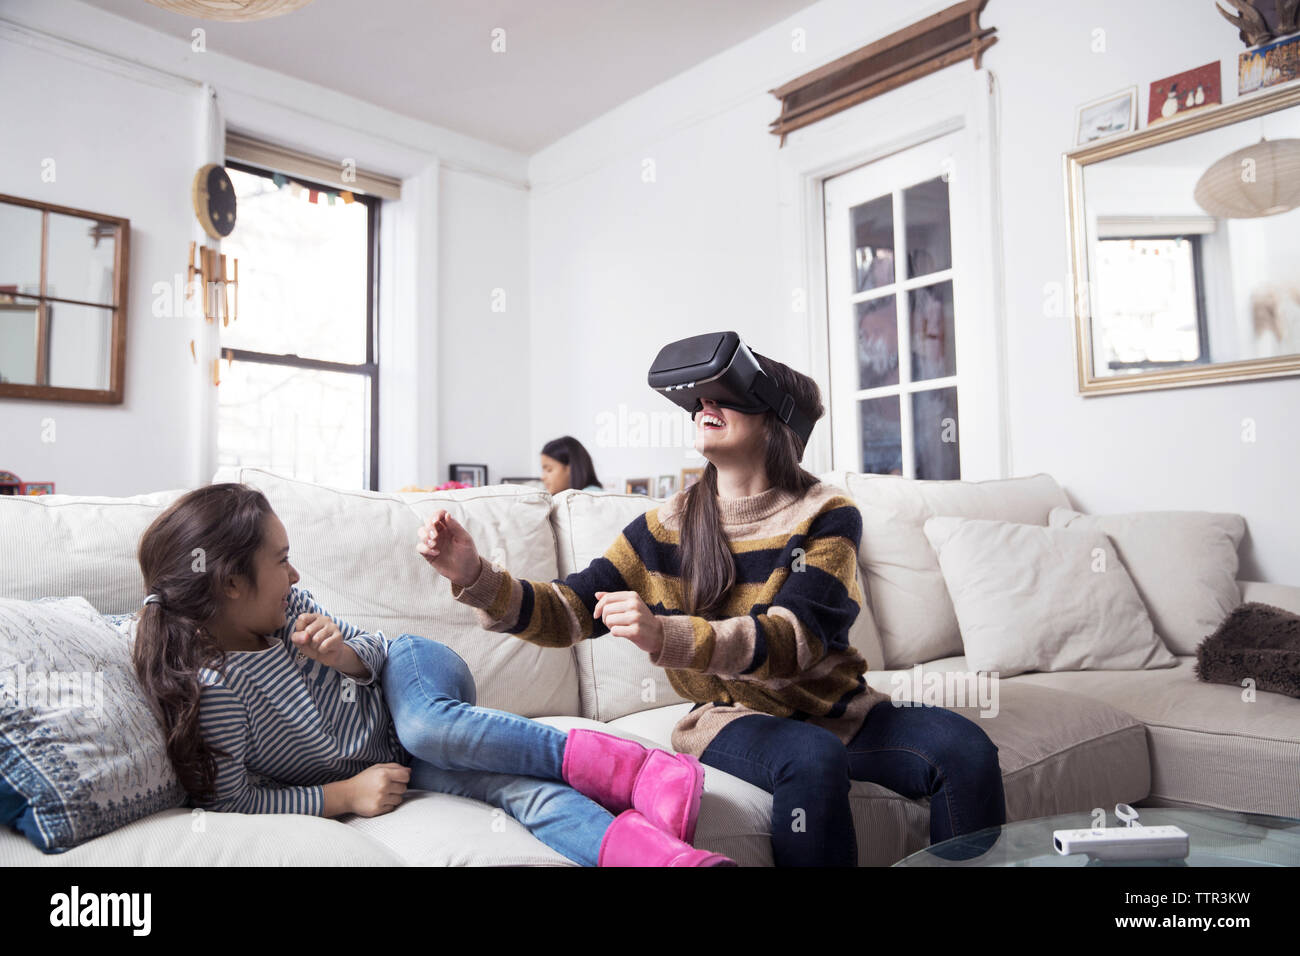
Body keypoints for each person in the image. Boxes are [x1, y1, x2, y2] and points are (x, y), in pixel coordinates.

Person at [420, 346, 1006, 866]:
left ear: (779, 422)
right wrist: (475, 576)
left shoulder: (827, 514)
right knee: (811, 759)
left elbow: (795, 639)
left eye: (728, 396)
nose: (705, 403)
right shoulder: (662, 528)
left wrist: (668, 635)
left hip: (839, 709)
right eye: (700, 397)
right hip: (730, 718)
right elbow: (570, 609)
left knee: (966, 748)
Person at [131, 483, 734, 867]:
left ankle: (636, 767)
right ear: (231, 583)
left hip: (411, 673)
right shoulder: (216, 692)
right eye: (281, 560)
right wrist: (343, 795)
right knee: (516, 791)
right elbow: (230, 799)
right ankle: (662, 861)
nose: (294, 576)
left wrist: (345, 655)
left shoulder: (292, 607)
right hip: (401, 758)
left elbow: (372, 648)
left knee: (424, 724)